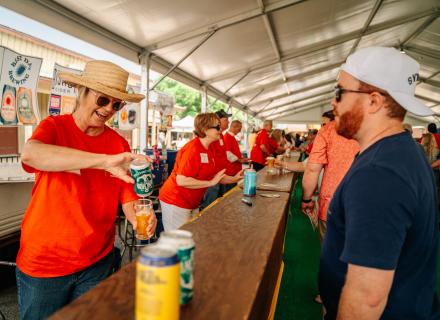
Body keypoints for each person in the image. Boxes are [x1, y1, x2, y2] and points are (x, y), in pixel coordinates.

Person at [16, 60, 157, 320]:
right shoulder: (54, 127)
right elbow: (32, 154)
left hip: (97, 260)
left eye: (117, 104)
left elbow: (128, 197)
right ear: (82, 93)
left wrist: (140, 215)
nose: (109, 110)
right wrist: (102, 161)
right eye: (103, 100)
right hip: (46, 262)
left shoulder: (117, 142)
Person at [319, 47, 440, 319]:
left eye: (340, 92)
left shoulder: (379, 173)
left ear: (374, 101)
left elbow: (366, 301)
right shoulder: (402, 153)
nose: (333, 102)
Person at [159, 113, 243, 231]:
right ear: (205, 130)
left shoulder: (210, 147)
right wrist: (210, 183)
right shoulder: (192, 149)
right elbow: (181, 180)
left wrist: (235, 178)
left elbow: (215, 176)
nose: (220, 130)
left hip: (191, 202)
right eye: (217, 127)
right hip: (175, 200)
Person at [199, 109, 231, 211]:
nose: (228, 122)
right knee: (209, 205)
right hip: (213, 177)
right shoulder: (211, 137)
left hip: (221, 175)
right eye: (226, 120)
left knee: (218, 203)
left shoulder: (219, 135)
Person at [223, 120, 249, 193]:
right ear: (234, 127)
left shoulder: (232, 137)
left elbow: (234, 151)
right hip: (230, 170)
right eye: (239, 128)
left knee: (232, 189)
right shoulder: (227, 137)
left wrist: (242, 158)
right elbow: (227, 153)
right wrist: (240, 160)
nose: (240, 130)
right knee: (229, 192)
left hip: (234, 169)